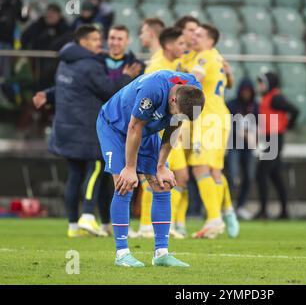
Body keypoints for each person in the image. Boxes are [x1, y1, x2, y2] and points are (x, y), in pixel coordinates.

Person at [32, 25, 139, 238]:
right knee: (98, 167)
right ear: (83, 42)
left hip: (65, 128)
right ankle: (88, 216)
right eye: (95, 39)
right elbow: (108, 90)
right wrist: (126, 77)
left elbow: (69, 89)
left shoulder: (65, 62)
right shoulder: (90, 65)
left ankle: (73, 226)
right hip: (86, 129)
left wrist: (47, 94)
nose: (100, 43)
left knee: (74, 174)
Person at [96, 70, 205, 267]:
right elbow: (133, 127)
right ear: (172, 99)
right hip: (116, 127)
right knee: (124, 184)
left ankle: (161, 253)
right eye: (176, 112)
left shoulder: (192, 90)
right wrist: (130, 168)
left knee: (162, 184)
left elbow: (175, 124)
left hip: (145, 131)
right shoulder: (152, 90)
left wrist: (161, 166)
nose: (178, 118)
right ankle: (122, 253)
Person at [131, 27, 189, 239]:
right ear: (169, 45)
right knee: (155, 177)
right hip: (160, 129)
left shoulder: (172, 66)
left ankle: (171, 222)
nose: (184, 47)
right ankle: (147, 225)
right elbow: (148, 98)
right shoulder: (157, 67)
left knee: (180, 177)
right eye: (181, 43)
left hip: (174, 130)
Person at [186, 24, 239, 238]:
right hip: (221, 116)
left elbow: (194, 79)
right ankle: (223, 215)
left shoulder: (204, 57)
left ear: (210, 40)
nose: (195, 38)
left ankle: (215, 219)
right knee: (214, 171)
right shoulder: (217, 57)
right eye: (194, 34)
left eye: (200, 35)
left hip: (208, 119)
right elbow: (229, 82)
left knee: (199, 167)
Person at [97, 24, 144, 235]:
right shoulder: (96, 62)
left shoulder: (138, 66)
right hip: (104, 124)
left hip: (128, 130)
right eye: (112, 38)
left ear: (127, 41)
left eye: (119, 39)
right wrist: (124, 77)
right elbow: (102, 90)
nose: (115, 42)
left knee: (127, 175)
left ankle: (123, 224)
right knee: (101, 175)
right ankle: (104, 221)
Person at [255, 72, 299, 220]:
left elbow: (294, 110)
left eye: (262, 82)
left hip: (274, 138)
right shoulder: (269, 97)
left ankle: (263, 211)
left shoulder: (275, 97)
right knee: (275, 175)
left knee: (261, 173)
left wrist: (288, 126)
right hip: (271, 138)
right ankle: (284, 212)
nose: (259, 86)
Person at [226, 78, 259, 220]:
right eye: (244, 91)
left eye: (249, 91)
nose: (246, 94)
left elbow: (259, 124)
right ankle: (227, 206)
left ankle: (240, 206)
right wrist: (240, 132)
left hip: (248, 147)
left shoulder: (255, 106)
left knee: (249, 176)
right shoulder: (231, 105)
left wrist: (256, 136)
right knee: (233, 177)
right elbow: (226, 124)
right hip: (233, 145)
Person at [21, 3, 71, 90]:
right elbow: (25, 37)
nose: (50, 16)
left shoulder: (64, 28)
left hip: (55, 64)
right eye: (48, 13)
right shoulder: (38, 24)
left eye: (53, 14)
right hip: (37, 62)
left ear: (59, 16)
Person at [0, 0, 28, 79]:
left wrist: (27, 12)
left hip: (8, 39)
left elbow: (22, 18)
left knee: (5, 68)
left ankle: (4, 87)